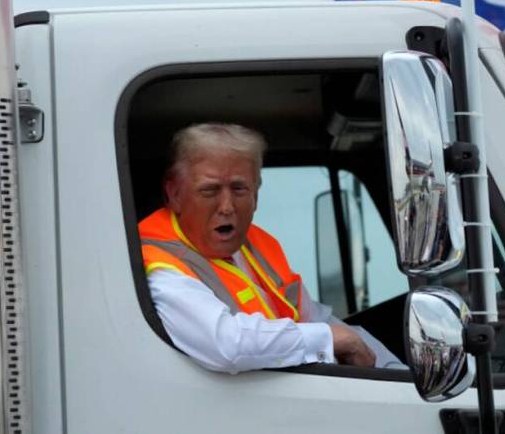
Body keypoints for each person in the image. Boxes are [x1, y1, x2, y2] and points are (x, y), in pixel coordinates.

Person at [139, 122, 401, 373]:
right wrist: (326, 339)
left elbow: (316, 318)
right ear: (174, 194)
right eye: (210, 190)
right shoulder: (159, 262)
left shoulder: (256, 245)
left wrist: (395, 373)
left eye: (239, 189)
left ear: (256, 195)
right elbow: (227, 344)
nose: (227, 206)